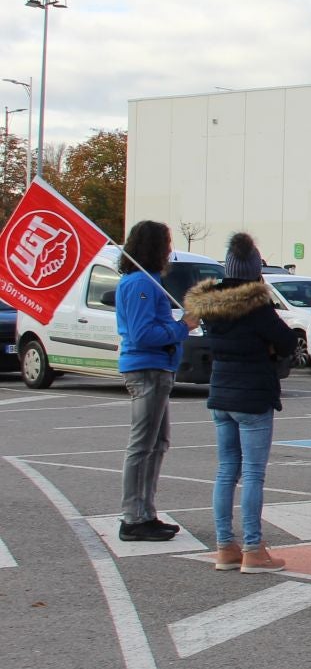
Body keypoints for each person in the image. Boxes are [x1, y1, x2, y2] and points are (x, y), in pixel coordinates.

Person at [188, 232, 298, 573]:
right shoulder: (257, 307)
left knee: (226, 472)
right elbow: (286, 342)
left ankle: (225, 547)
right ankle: (253, 548)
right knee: (253, 473)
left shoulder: (211, 306)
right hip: (253, 395)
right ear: (255, 270)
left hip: (220, 393)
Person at [114, 220, 196, 542]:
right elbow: (142, 333)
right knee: (143, 445)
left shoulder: (141, 282)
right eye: (166, 243)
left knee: (156, 443)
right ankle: (134, 516)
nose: (169, 250)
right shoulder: (142, 284)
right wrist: (182, 327)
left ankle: (145, 512)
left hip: (154, 367)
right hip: (148, 368)